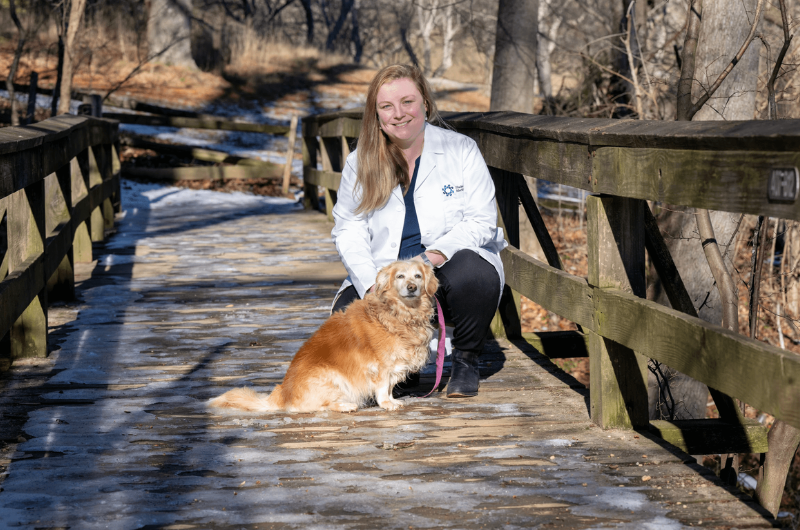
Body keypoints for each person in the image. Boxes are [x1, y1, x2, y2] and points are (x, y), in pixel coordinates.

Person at [330, 64, 507, 398]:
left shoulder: (461, 150)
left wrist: (430, 258)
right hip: (388, 280)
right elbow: (348, 228)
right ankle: (402, 365)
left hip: (444, 274)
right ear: (376, 114)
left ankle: (466, 360)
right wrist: (372, 285)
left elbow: (481, 221)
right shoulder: (360, 162)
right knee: (346, 321)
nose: (399, 114)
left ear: (425, 102)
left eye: (407, 102)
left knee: (473, 273)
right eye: (387, 106)